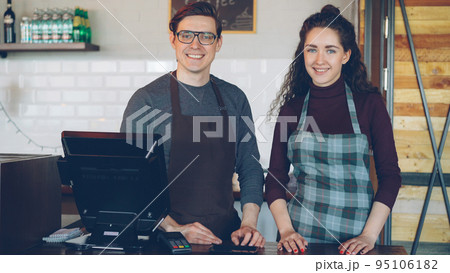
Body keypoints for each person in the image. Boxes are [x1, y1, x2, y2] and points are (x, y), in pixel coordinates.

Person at [120, 2, 265, 247]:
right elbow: (130, 179)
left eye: (206, 36)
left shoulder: (234, 99)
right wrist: (175, 229)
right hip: (164, 240)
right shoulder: (147, 101)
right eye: (186, 35)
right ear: (173, 40)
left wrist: (248, 224)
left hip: (226, 239)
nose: (195, 45)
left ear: (218, 43)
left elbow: (250, 167)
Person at [265, 4, 401, 255]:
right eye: (312, 49)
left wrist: (369, 235)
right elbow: (275, 178)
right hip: (300, 240)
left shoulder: (369, 104)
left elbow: (390, 175)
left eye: (330, 50)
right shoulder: (291, 110)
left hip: (357, 243)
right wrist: (286, 231)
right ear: (302, 54)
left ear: (345, 55)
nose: (319, 60)